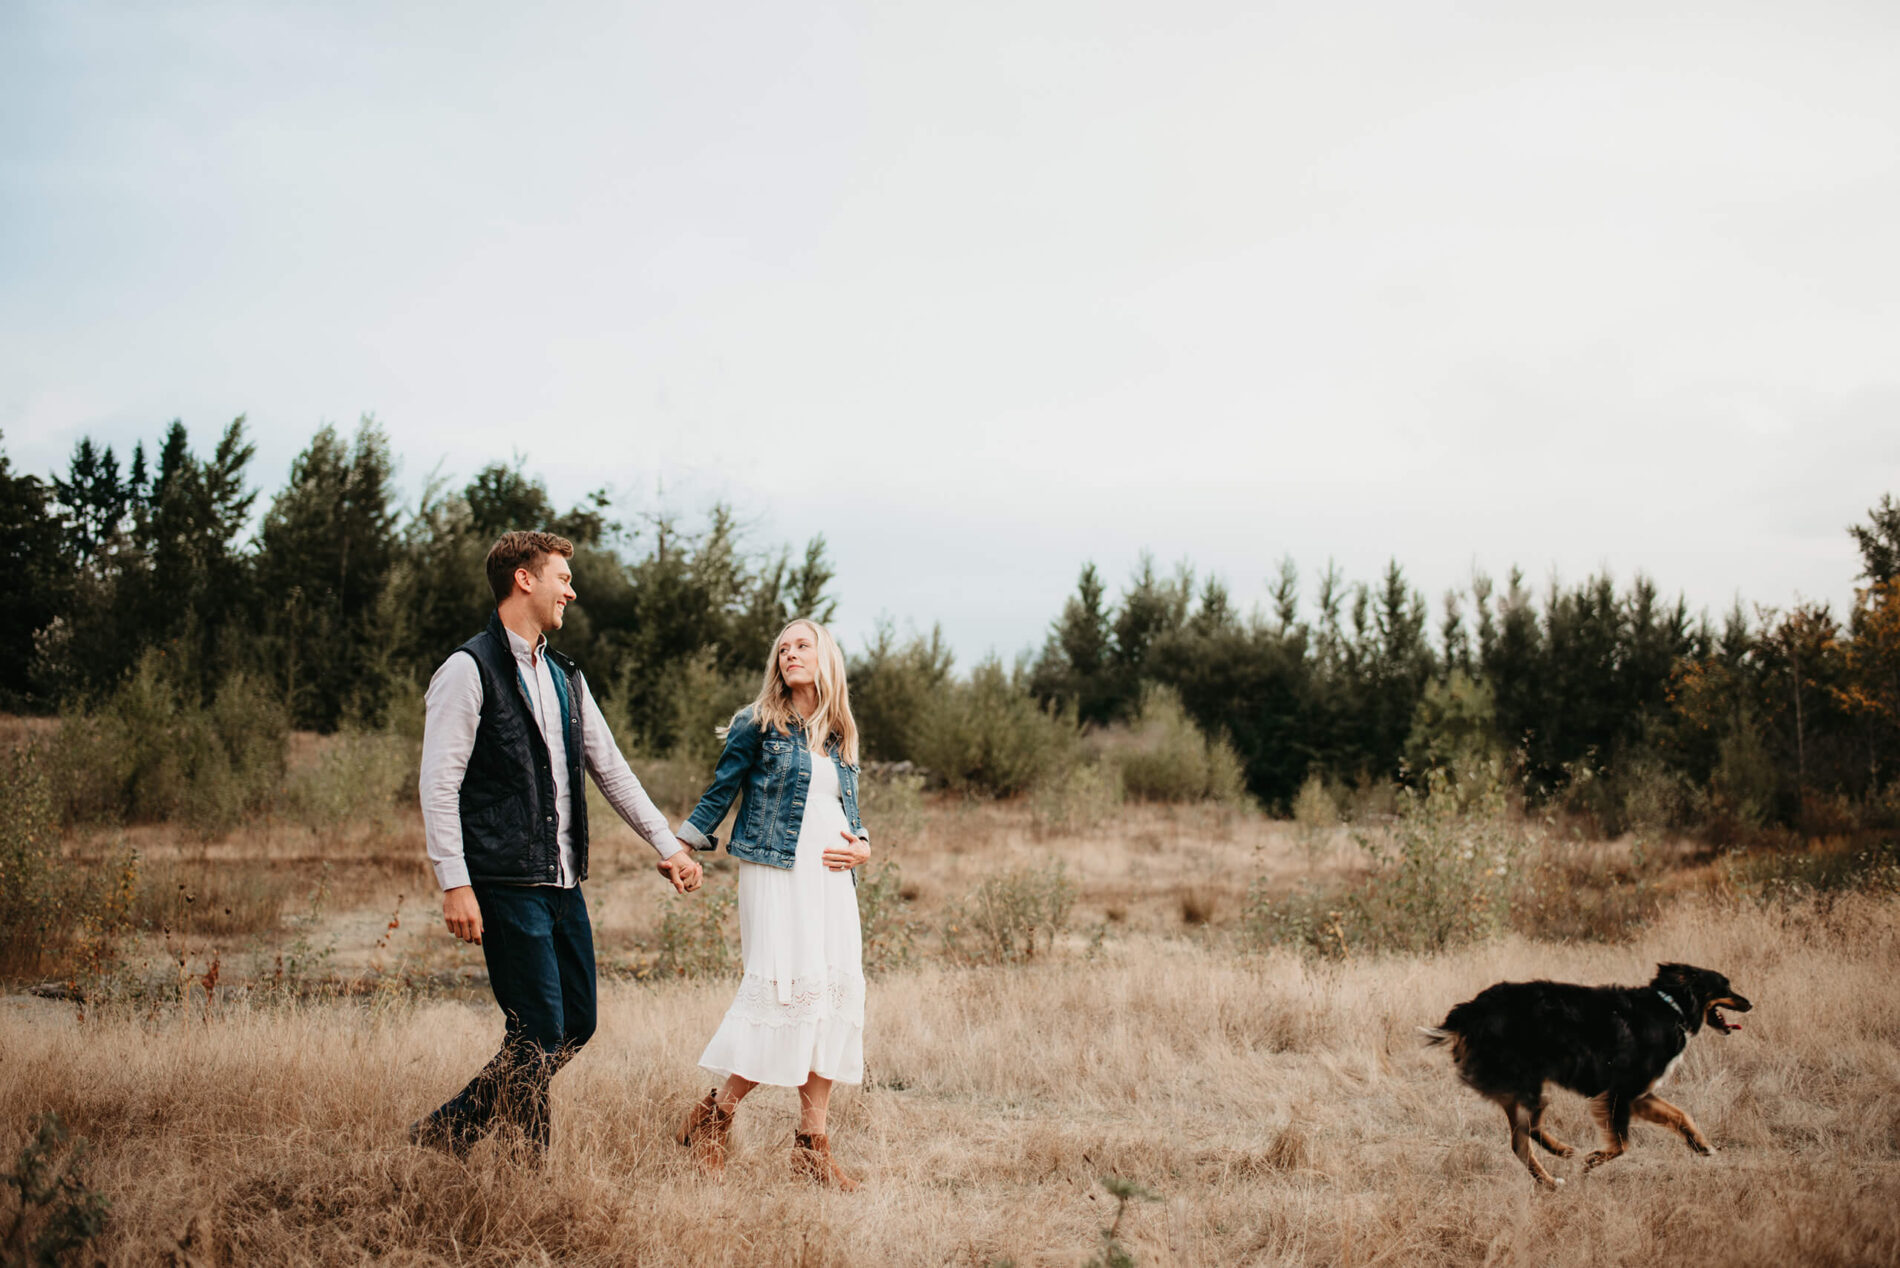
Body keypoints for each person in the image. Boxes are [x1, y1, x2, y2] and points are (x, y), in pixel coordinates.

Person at [410, 530, 704, 1159]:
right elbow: (438, 785)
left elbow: (612, 770)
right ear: (525, 579)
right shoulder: (467, 670)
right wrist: (454, 882)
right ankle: (523, 1169)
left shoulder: (567, 677)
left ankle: (446, 1132)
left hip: (565, 883)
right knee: (538, 1029)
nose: (572, 589)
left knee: (576, 1024)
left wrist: (669, 845)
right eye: (562, 577)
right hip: (505, 881)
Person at [672, 618, 871, 1188]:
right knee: (785, 998)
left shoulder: (839, 731)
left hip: (833, 883)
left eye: (802, 645)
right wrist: (682, 845)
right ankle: (714, 1119)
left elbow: (845, 815)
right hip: (778, 873)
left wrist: (864, 847)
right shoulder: (756, 722)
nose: (790, 654)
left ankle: (811, 1147)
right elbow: (721, 791)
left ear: (825, 655)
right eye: (783, 648)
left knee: (830, 1000)